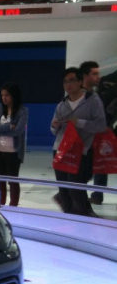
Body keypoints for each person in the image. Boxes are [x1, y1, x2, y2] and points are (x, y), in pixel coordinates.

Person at [51, 67, 106, 216]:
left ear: (80, 82)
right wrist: (54, 126)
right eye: (65, 82)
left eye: (72, 80)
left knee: (76, 190)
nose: (69, 84)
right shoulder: (62, 104)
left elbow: (101, 125)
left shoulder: (92, 101)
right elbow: (54, 130)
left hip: (81, 152)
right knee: (64, 190)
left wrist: (80, 123)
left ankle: (84, 220)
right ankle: (70, 219)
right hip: (61, 150)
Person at [0, 82, 29, 207]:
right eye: (2, 95)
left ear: (14, 96)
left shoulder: (23, 111)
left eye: (7, 95)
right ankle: (0, 206)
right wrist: (8, 126)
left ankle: (13, 207)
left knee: (13, 181)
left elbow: (18, 131)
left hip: (13, 152)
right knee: (0, 181)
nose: (4, 98)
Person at [80, 61, 109, 206]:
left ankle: (96, 195)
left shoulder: (99, 94)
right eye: (95, 74)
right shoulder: (78, 95)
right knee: (83, 170)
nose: (98, 77)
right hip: (82, 139)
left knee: (99, 167)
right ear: (85, 75)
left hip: (97, 137)